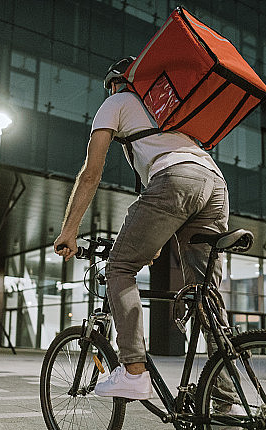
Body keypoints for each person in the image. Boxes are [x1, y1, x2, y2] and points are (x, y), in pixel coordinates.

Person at [54, 57, 237, 410]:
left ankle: (134, 372)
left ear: (114, 83)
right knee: (206, 297)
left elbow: (91, 173)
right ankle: (224, 407)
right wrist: (151, 243)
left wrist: (69, 230)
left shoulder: (116, 102)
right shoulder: (166, 109)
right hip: (214, 183)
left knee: (119, 269)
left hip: (176, 179)